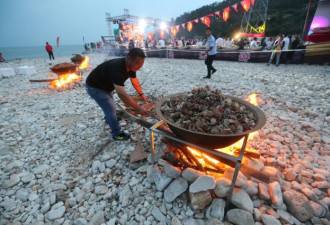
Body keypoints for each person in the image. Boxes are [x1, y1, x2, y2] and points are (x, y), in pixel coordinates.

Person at [85, 48, 148, 140]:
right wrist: (139, 108)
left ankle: (109, 119)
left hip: (106, 86)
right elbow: (122, 95)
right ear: (129, 58)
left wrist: (141, 94)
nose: (139, 66)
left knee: (109, 107)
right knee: (111, 108)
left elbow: (134, 80)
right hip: (95, 87)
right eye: (138, 63)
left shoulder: (131, 66)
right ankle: (117, 133)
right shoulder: (117, 68)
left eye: (142, 64)